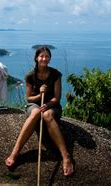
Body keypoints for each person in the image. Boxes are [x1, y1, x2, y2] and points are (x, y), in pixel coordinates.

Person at [5, 46, 74, 177]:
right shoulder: (30, 76)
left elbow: (57, 98)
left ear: (50, 59)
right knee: (36, 112)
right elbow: (29, 97)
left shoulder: (55, 74)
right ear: (36, 58)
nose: (44, 58)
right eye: (41, 56)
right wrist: (40, 94)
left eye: (47, 56)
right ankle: (15, 152)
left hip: (52, 106)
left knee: (47, 115)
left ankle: (66, 157)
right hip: (34, 105)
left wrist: (47, 104)